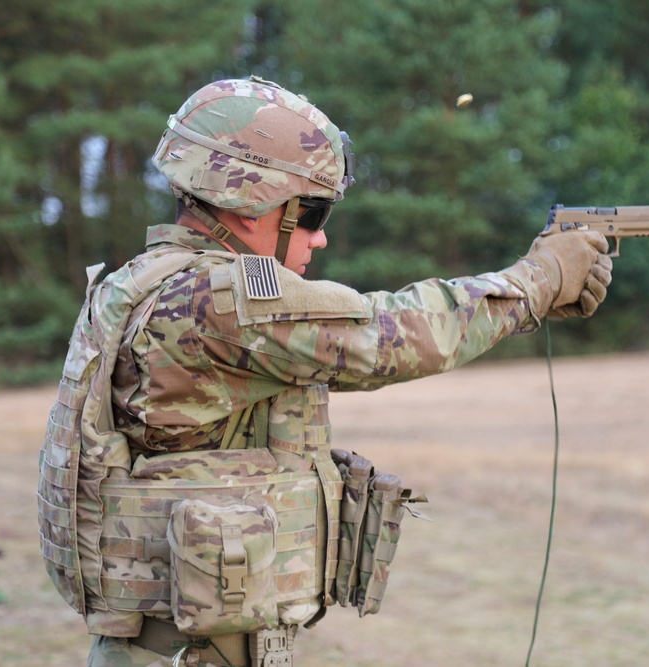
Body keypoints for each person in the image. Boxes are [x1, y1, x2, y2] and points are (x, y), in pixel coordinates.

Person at [37, 76, 612, 667]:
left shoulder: (146, 281)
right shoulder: (213, 299)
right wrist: (535, 281)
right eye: (311, 211)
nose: (321, 234)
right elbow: (388, 337)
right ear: (254, 200)